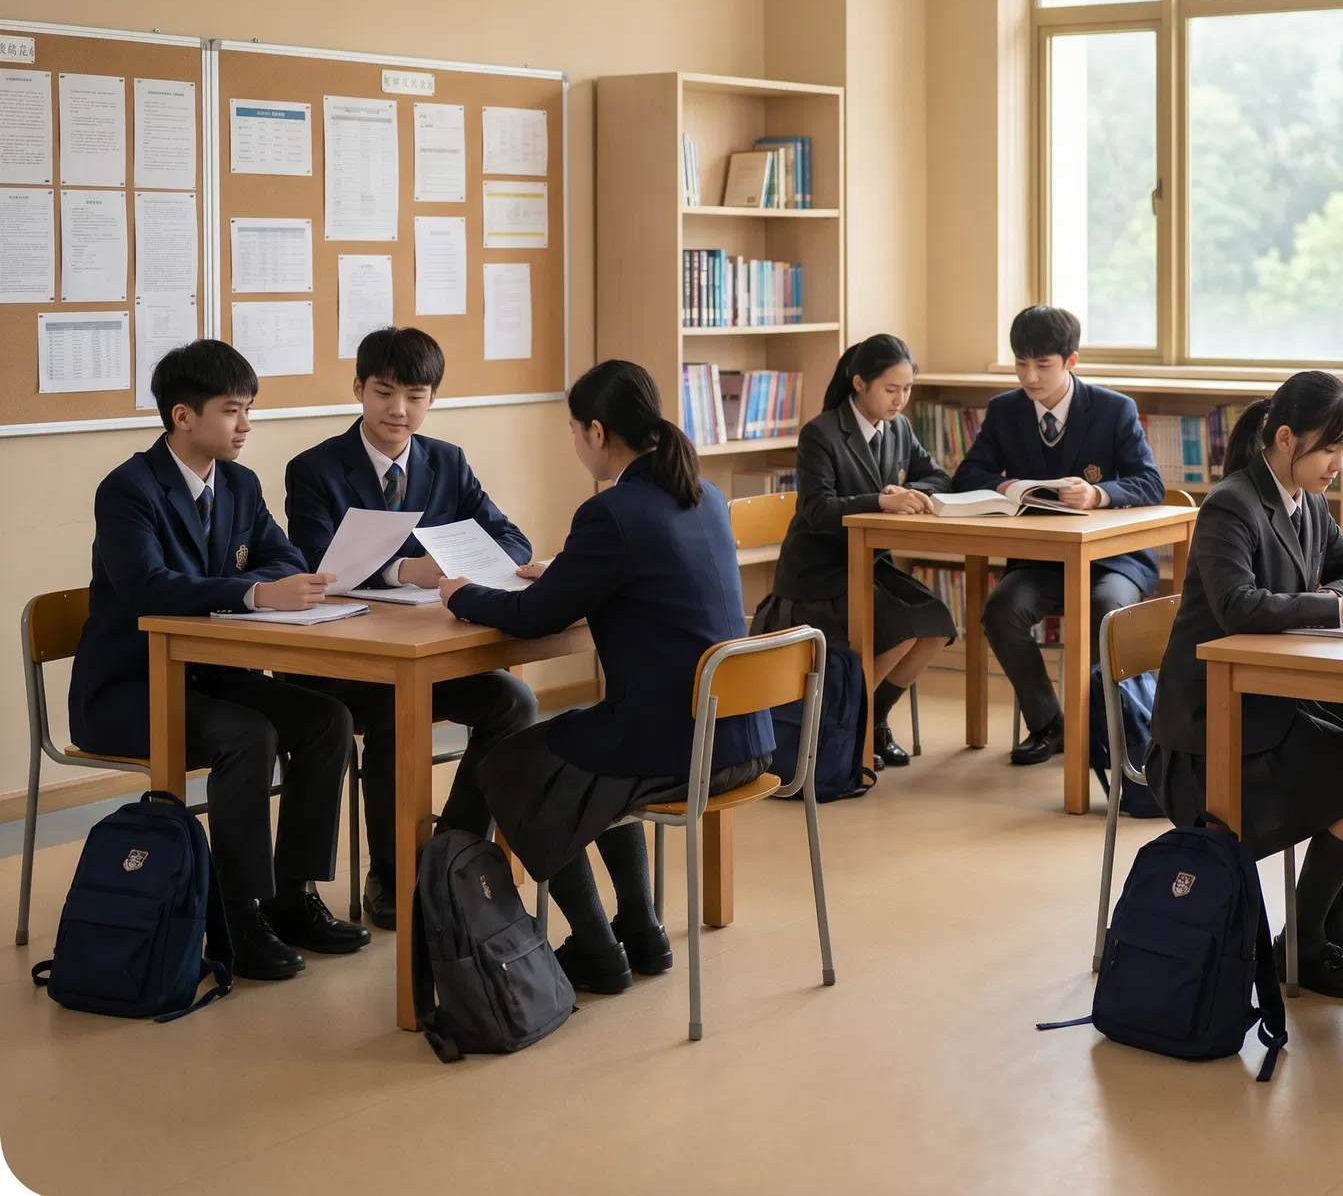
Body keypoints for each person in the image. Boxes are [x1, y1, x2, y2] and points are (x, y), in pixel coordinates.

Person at [441, 360, 775, 996]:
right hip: (739, 735)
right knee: (583, 759)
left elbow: (534, 618)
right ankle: (640, 929)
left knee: (513, 769)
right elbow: (643, 574)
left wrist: (460, 592)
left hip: (674, 744)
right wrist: (568, 572)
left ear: (597, 432)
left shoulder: (613, 512)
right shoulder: (703, 495)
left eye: (572, 430)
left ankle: (598, 949)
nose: (572, 443)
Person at [68, 340, 368, 981]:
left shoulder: (239, 483)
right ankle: (236, 914)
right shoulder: (127, 490)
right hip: (131, 688)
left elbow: (286, 558)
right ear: (183, 416)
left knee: (327, 719)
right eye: (233, 410)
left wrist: (266, 581)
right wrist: (253, 592)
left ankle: (295, 896)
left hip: (214, 676)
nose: (246, 425)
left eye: (248, 409)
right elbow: (149, 587)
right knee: (248, 735)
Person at [1146, 371, 1343, 1000]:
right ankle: (1301, 946)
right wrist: (1340, 610)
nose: (1339, 464)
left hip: (1280, 702)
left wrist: (1333, 596)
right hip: (1214, 730)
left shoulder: (1308, 503)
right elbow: (1239, 608)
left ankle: (1322, 927)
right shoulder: (1232, 505)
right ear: (1284, 438)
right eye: (1329, 448)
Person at [283, 327, 539, 928]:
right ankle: (392, 875)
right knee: (402, 713)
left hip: (425, 653)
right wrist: (403, 570)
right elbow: (314, 556)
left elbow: (510, 538)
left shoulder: (446, 461)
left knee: (515, 702)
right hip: (343, 662)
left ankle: (447, 851)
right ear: (359, 390)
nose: (399, 410)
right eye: (384, 393)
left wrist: (460, 562)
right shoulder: (314, 469)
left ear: (432, 399)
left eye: (416, 396)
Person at [953, 305, 1165, 765]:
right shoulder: (1004, 411)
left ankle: (1107, 728)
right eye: (1021, 364)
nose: (1030, 377)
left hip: (1113, 562)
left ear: (1071, 361)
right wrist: (1005, 485)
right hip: (1041, 562)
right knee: (1000, 610)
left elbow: (1150, 483)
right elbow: (968, 473)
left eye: (1042, 364)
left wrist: (1098, 494)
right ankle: (1051, 724)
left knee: (1106, 609)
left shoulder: (1113, 409)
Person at [759, 335, 954, 768]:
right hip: (819, 572)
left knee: (937, 623)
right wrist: (879, 501)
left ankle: (873, 720)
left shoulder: (899, 427)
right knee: (900, 628)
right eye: (891, 389)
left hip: (869, 564)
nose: (901, 400)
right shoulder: (821, 432)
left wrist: (909, 490)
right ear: (860, 383)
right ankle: (853, 730)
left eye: (907, 389)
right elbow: (814, 509)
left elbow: (939, 478)